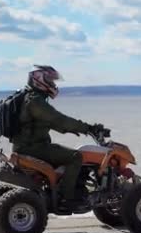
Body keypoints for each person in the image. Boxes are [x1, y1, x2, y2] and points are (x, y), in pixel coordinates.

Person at [12, 65, 105, 207]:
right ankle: (67, 197)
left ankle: (57, 187)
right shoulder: (35, 101)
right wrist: (88, 127)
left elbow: (53, 123)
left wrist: (79, 129)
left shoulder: (27, 97)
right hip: (34, 148)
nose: (53, 84)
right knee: (76, 156)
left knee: (64, 153)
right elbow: (59, 120)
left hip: (25, 146)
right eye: (49, 79)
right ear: (38, 79)